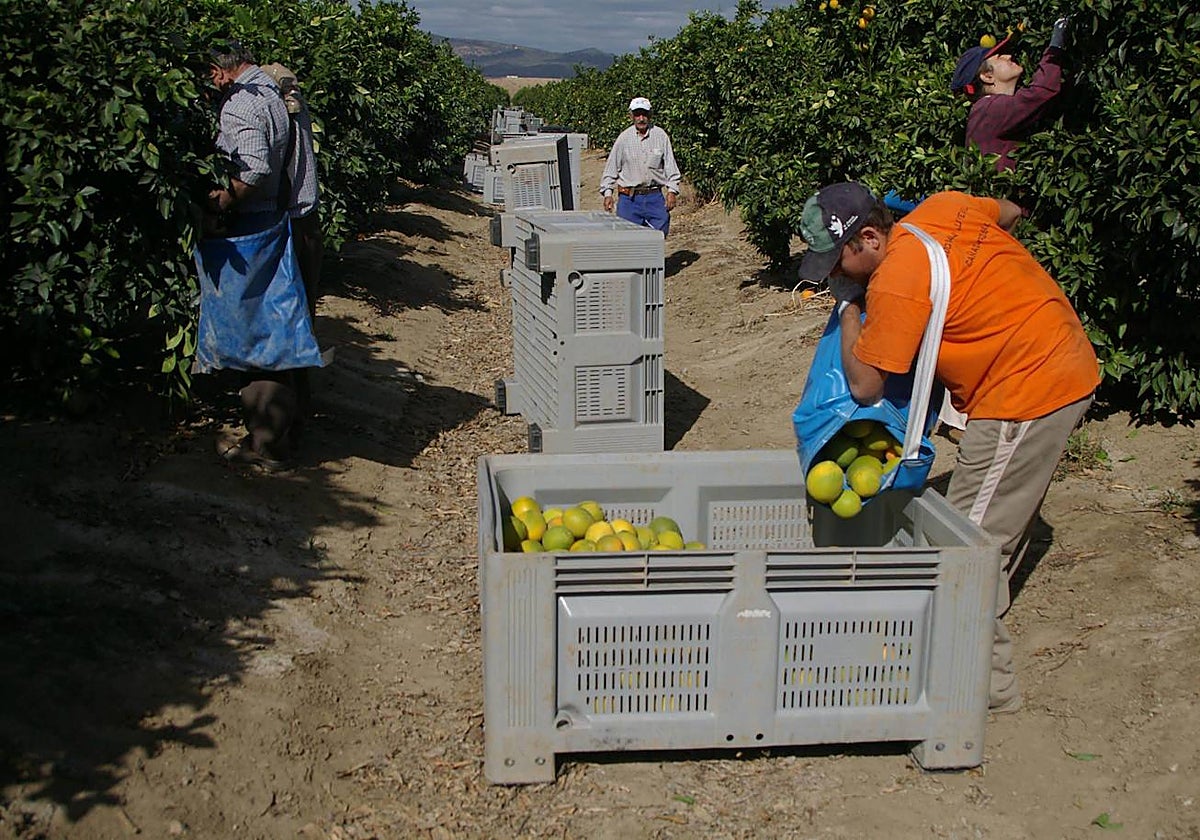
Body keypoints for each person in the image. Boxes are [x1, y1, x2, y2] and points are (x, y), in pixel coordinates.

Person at [798, 182, 1100, 713]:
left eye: (839, 263)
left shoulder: (896, 282)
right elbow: (1011, 212)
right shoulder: (945, 207)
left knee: (962, 548)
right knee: (986, 524)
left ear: (871, 238)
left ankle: (984, 688)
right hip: (1060, 351)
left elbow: (865, 387)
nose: (834, 277)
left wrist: (848, 309)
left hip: (1025, 391)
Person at [205, 40, 301, 470]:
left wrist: (222, 202)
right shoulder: (270, 92)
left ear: (219, 71)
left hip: (252, 225)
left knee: (257, 332)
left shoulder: (241, 104)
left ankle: (266, 445)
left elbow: (255, 166)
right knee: (273, 327)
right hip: (274, 220)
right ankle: (277, 433)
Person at [261, 62, 323, 447]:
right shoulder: (298, 111)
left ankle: (276, 435)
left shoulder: (277, 115)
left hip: (285, 228)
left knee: (279, 331)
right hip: (307, 227)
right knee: (300, 325)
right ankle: (298, 415)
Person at [951, 17, 1071, 173]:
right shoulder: (987, 109)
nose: (1008, 57)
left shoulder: (988, 111)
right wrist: (1055, 48)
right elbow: (1041, 91)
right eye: (999, 57)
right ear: (987, 76)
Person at [599, 97, 681, 235]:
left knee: (658, 237)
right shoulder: (623, 139)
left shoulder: (660, 136)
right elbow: (610, 170)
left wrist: (672, 192)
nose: (641, 118)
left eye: (644, 114)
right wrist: (608, 194)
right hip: (629, 200)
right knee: (629, 239)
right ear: (631, 116)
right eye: (637, 114)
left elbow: (671, 168)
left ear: (650, 115)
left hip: (654, 198)